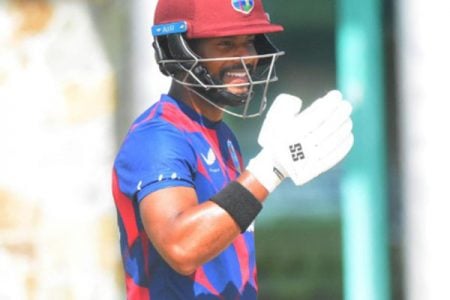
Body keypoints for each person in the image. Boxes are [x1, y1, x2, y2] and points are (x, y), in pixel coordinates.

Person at [112, 0, 354, 299]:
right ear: (179, 51)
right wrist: (272, 168)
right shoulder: (158, 138)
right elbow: (182, 247)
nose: (246, 58)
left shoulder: (222, 136)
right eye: (226, 45)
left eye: (249, 42)